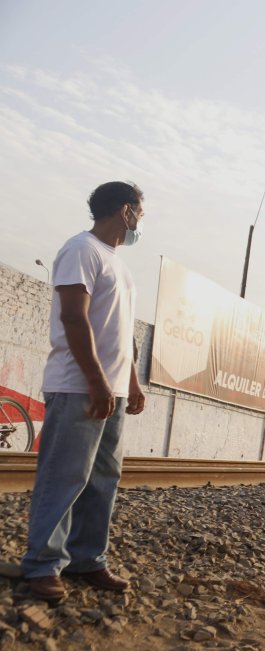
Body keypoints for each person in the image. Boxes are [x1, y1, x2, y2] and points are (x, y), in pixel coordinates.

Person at [22, 181, 147, 603]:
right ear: (125, 211)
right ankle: (43, 565)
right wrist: (95, 381)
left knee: (102, 479)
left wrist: (131, 382)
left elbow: (121, 333)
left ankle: (87, 559)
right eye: (139, 213)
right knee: (64, 476)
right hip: (79, 387)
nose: (140, 222)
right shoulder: (81, 250)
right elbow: (74, 318)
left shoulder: (120, 266)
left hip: (111, 391)